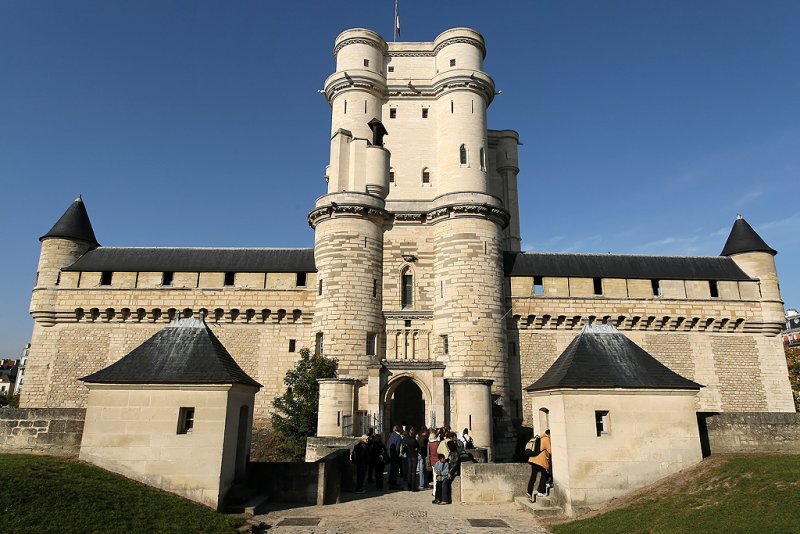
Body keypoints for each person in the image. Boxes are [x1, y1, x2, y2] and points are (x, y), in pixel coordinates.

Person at [526, 429, 552, 501]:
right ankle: (540, 491)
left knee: (533, 476)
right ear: (549, 434)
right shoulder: (546, 439)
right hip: (540, 460)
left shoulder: (539, 438)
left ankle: (529, 492)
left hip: (533, 459)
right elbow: (550, 450)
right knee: (544, 475)